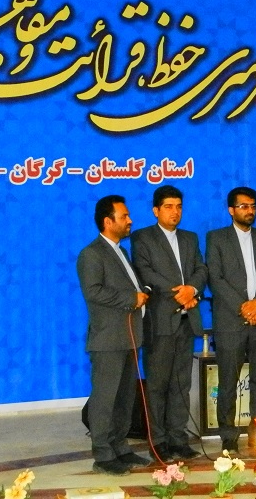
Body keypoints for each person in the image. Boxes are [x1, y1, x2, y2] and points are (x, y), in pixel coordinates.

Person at [131, 185, 208, 461]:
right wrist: (181, 292)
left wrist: (193, 290)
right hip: (161, 322)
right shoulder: (142, 237)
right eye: (168, 207)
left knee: (181, 385)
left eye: (178, 206)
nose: (175, 212)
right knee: (158, 386)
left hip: (186, 322)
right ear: (156, 210)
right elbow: (145, 272)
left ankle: (178, 439)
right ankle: (158, 442)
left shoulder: (189, 238)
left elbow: (201, 269)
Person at [77, 195, 152, 475]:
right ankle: (103, 454)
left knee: (124, 399)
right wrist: (131, 298)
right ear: (108, 222)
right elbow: (93, 292)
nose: (130, 220)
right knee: (105, 399)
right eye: (124, 216)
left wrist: (143, 293)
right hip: (108, 340)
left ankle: (120, 447)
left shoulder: (121, 251)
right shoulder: (91, 254)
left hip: (129, 337)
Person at [205, 186, 256, 454]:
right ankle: (228, 436)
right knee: (228, 382)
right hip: (231, 321)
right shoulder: (216, 238)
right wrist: (245, 308)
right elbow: (216, 279)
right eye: (244, 206)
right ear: (231, 210)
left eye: (253, 206)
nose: (250, 211)